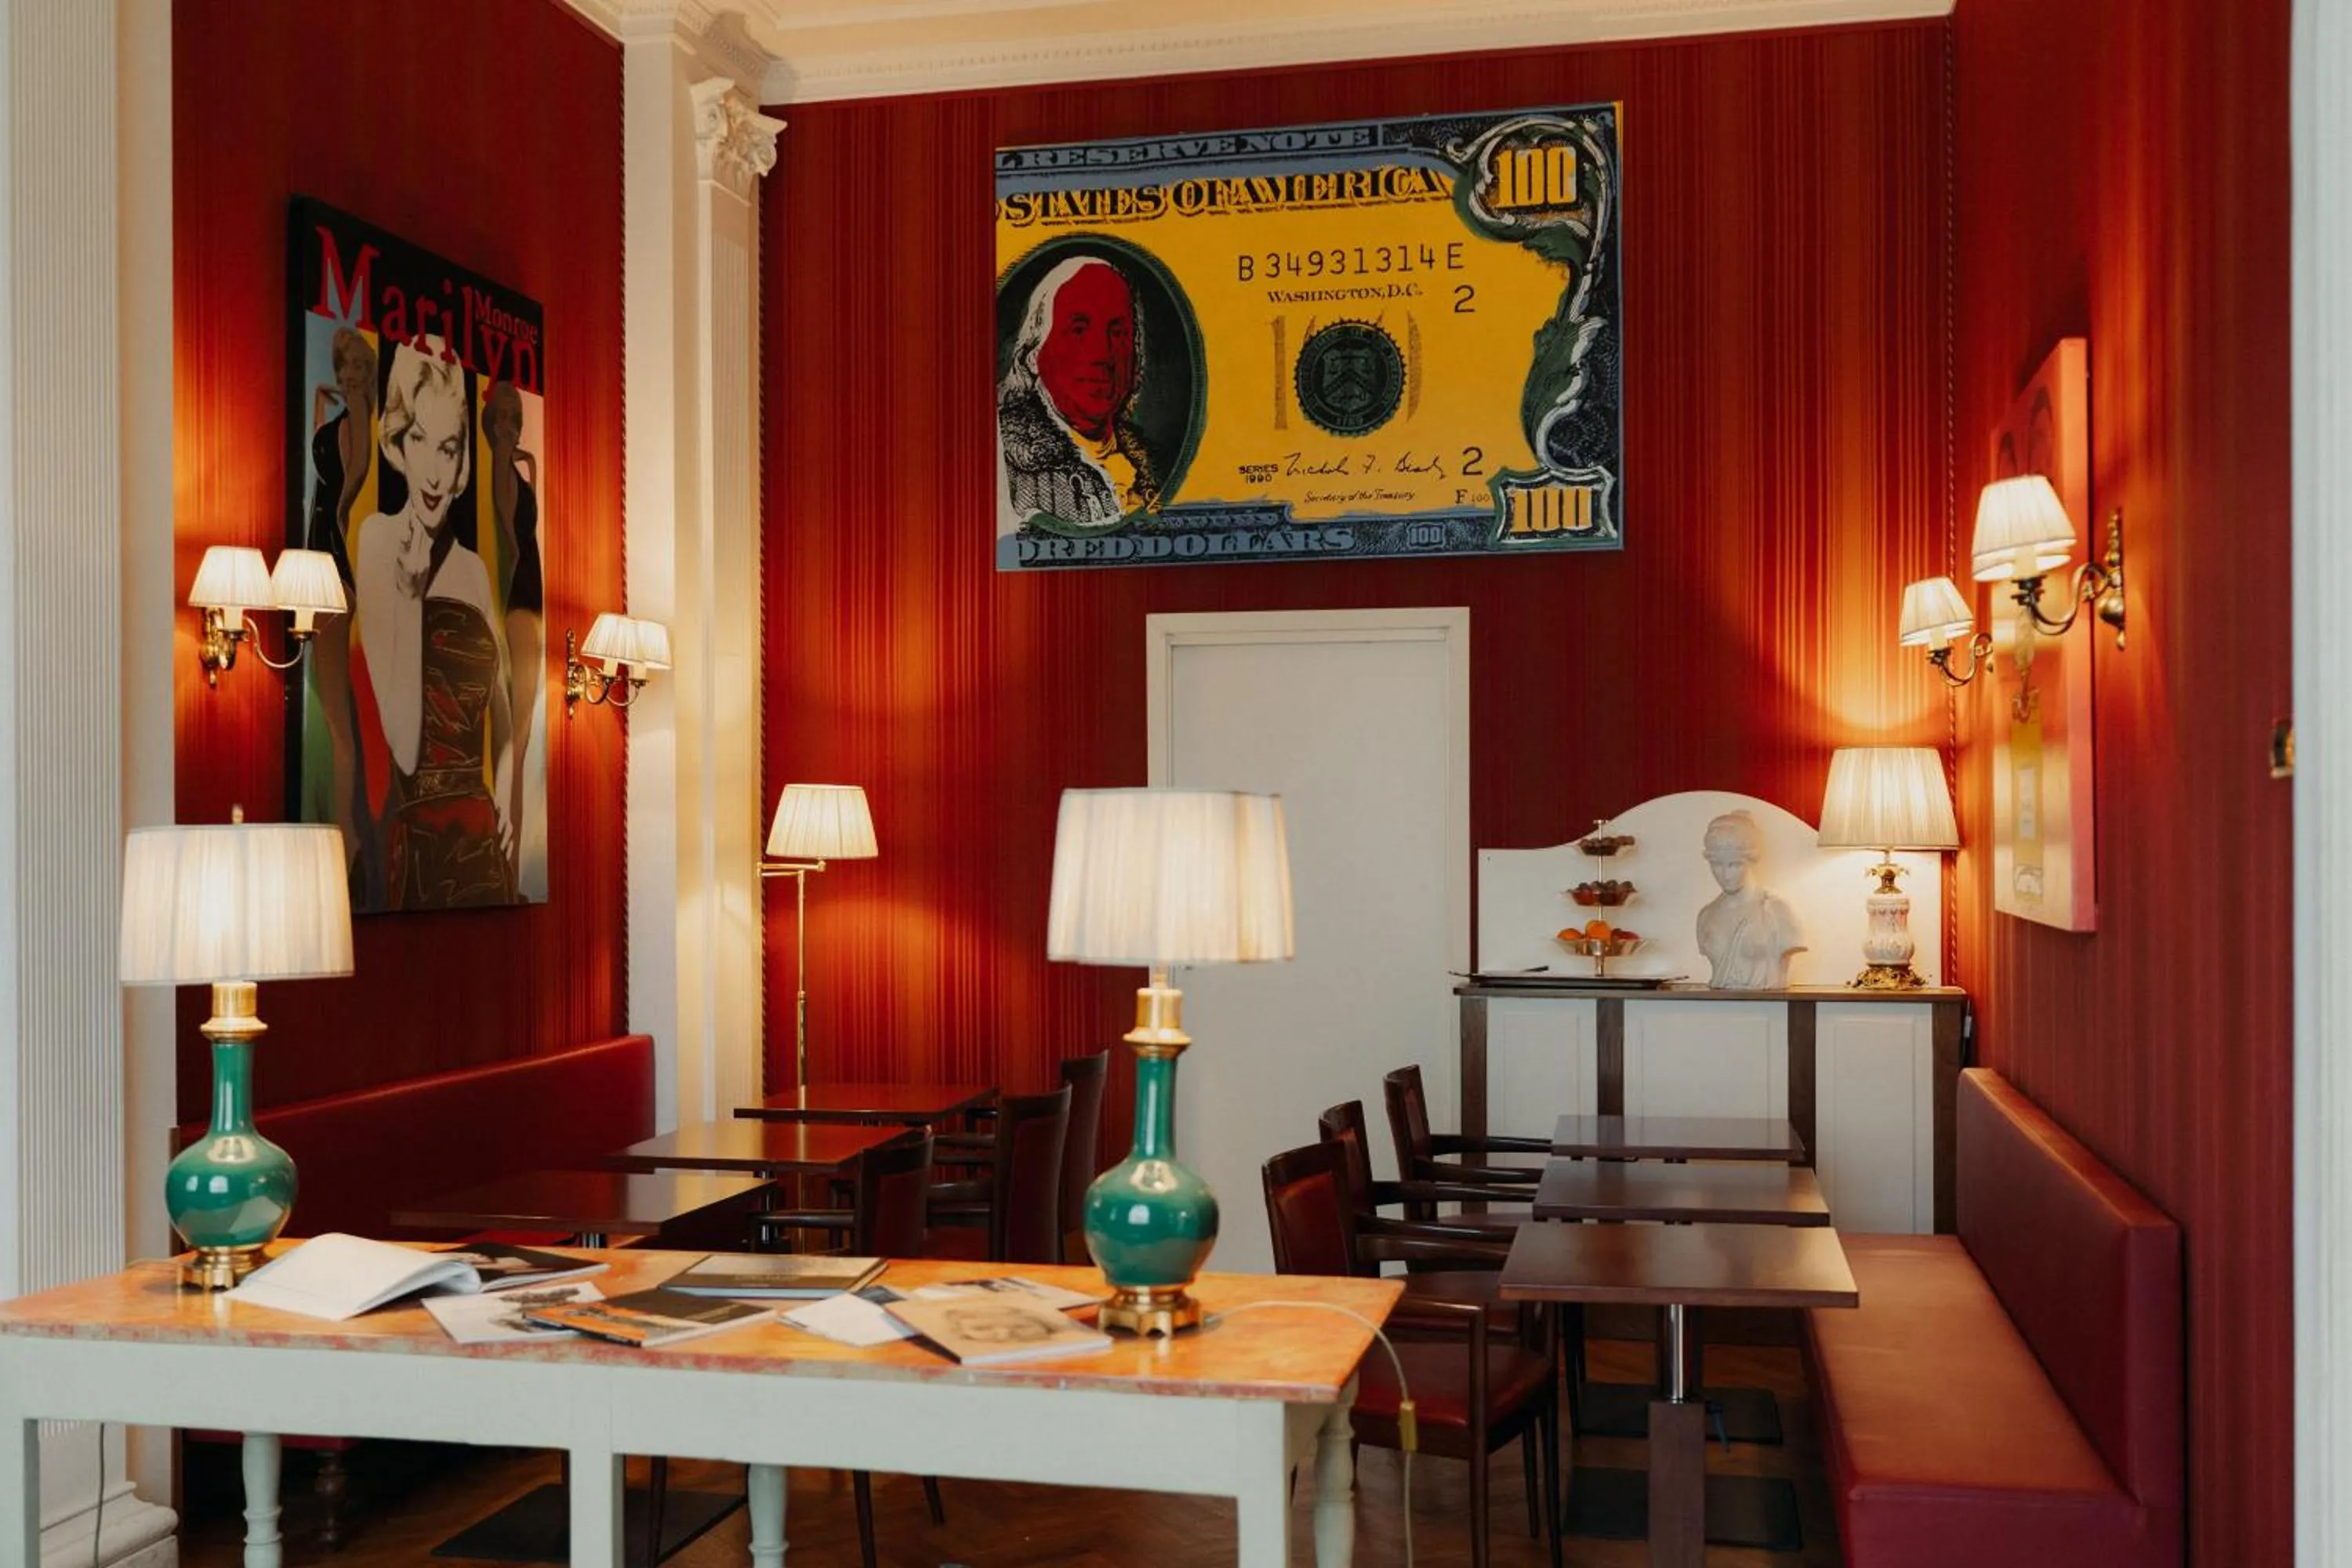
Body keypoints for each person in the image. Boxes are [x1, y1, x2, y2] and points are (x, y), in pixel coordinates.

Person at [353, 342, 517, 909]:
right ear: (398, 443)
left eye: (446, 448)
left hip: (481, 845)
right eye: (418, 438)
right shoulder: (376, 541)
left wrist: (508, 793)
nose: (431, 468)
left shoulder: (474, 570)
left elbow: (504, 708)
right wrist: (411, 595)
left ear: (461, 461)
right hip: (421, 846)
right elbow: (403, 745)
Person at [997, 255, 1159, 531]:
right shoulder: (1001, 459)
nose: (1101, 354)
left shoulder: (1147, 467)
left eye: (1118, 332)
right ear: (1033, 354)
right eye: (1079, 330)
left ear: (1135, 359)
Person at [304, 327, 379, 901]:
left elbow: (346, 491)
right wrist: (324, 401)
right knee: (328, 710)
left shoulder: (360, 423)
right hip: (320, 567)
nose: (346, 372)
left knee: (335, 720)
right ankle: (344, 833)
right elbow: (320, 459)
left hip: (331, 568)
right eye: (341, 363)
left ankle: (347, 835)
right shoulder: (341, 419)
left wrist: (351, 406)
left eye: (355, 366)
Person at [482, 380, 543, 873]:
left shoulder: (514, 470)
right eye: (504, 416)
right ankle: (506, 855)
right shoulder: (498, 470)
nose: (513, 425)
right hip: (519, 598)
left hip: (528, 597)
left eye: (517, 416)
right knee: (515, 739)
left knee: (518, 741)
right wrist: (509, 454)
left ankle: (510, 855)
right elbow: (510, 532)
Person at [1694, 811, 1805, 989]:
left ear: (1751, 860)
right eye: (1717, 864)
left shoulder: (1775, 909)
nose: (1725, 875)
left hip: (1770, 1010)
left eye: (1735, 865)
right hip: (1716, 1008)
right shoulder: (1706, 916)